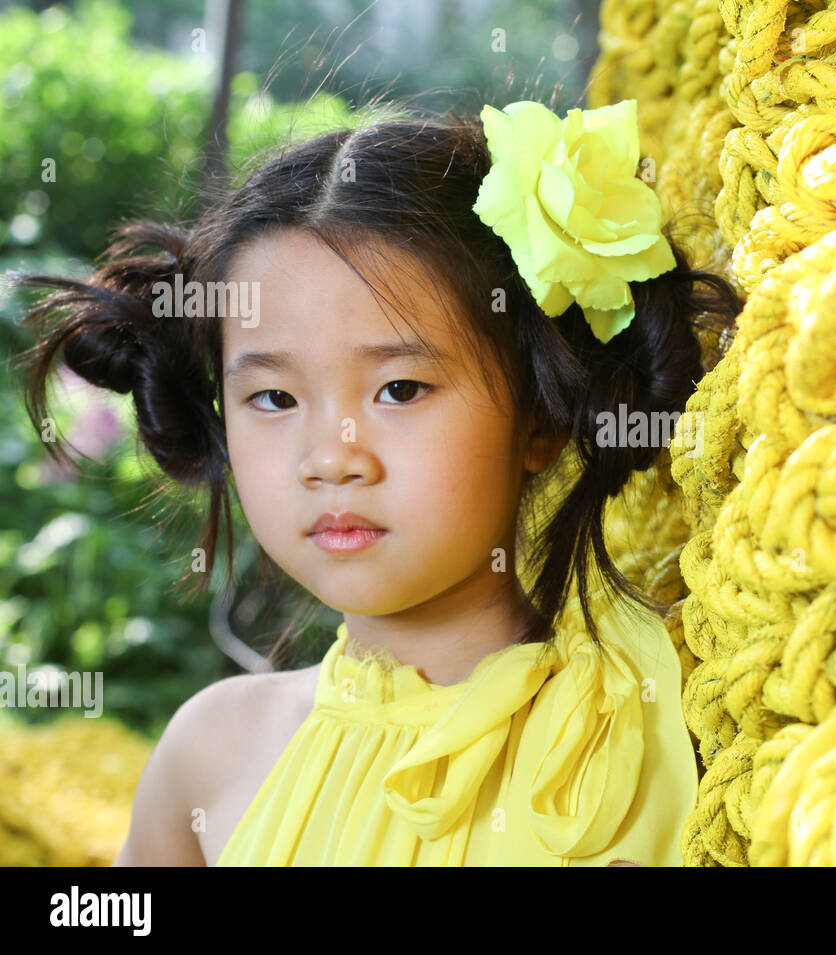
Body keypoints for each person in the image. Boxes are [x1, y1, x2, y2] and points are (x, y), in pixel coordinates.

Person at [13, 94, 742, 866]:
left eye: (399, 390)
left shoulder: (614, 748)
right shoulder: (209, 755)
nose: (333, 456)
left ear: (541, 415)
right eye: (275, 398)